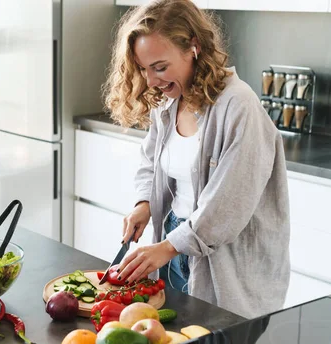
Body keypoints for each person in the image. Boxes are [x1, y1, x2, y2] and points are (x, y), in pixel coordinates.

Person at [103, 0, 290, 318]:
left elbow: (227, 207)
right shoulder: (169, 100)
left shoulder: (239, 107)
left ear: (194, 47)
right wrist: (144, 204)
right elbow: (152, 161)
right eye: (144, 69)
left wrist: (168, 247)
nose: (150, 81)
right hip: (174, 242)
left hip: (224, 261)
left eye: (160, 67)